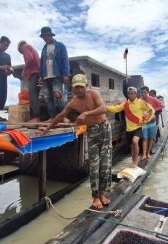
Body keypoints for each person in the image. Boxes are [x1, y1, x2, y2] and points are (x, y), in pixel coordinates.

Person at [41, 74, 112, 209]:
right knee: (94, 165)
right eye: (76, 87)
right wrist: (48, 128)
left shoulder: (93, 94)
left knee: (106, 163)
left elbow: (103, 109)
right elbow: (60, 115)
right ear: (72, 88)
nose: (79, 90)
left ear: (86, 86)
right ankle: (95, 197)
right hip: (92, 131)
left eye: (81, 87)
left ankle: (103, 194)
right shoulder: (73, 102)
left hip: (104, 128)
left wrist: (86, 114)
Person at [106, 86, 154, 168]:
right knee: (131, 146)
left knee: (135, 141)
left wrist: (145, 121)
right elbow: (115, 109)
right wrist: (104, 107)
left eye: (132, 93)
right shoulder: (125, 104)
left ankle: (135, 162)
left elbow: (151, 110)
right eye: (129, 94)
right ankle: (133, 162)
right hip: (129, 129)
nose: (130, 95)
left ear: (135, 94)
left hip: (138, 127)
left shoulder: (140, 102)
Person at [38, 26, 70, 121]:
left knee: (59, 96)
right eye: (43, 36)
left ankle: (63, 116)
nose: (45, 38)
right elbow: (42, 62)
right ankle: (52, 117)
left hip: (57, 74)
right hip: (46, 76)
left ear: (51, 35)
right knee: (48, 98)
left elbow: (65, 60)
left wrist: (66, 73)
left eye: (47, 35)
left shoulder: (60, 45)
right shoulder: (44, 48)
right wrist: (40, 75)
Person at [17, 40, 41, 123]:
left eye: (22, 53)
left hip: (34, 74)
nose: (23, 54)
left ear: (20, 47)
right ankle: (36, 117)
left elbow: (30, 59)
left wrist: (24, 69)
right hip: (38, 74)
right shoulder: (32, 48)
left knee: (32, 95)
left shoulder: (25, 47)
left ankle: (36, 117)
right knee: (35, 96)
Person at [140, 86, 165, 159]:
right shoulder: (140, 100)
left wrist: (154, 109)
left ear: (147, 92)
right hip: (144, 123)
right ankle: (144, 154)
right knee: (145, 138)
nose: (143, 94)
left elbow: (162, 105)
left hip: (152, 122)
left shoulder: (153, 99)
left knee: (151, 138)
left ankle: (148, 153)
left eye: (144, 92)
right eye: (141, 93)